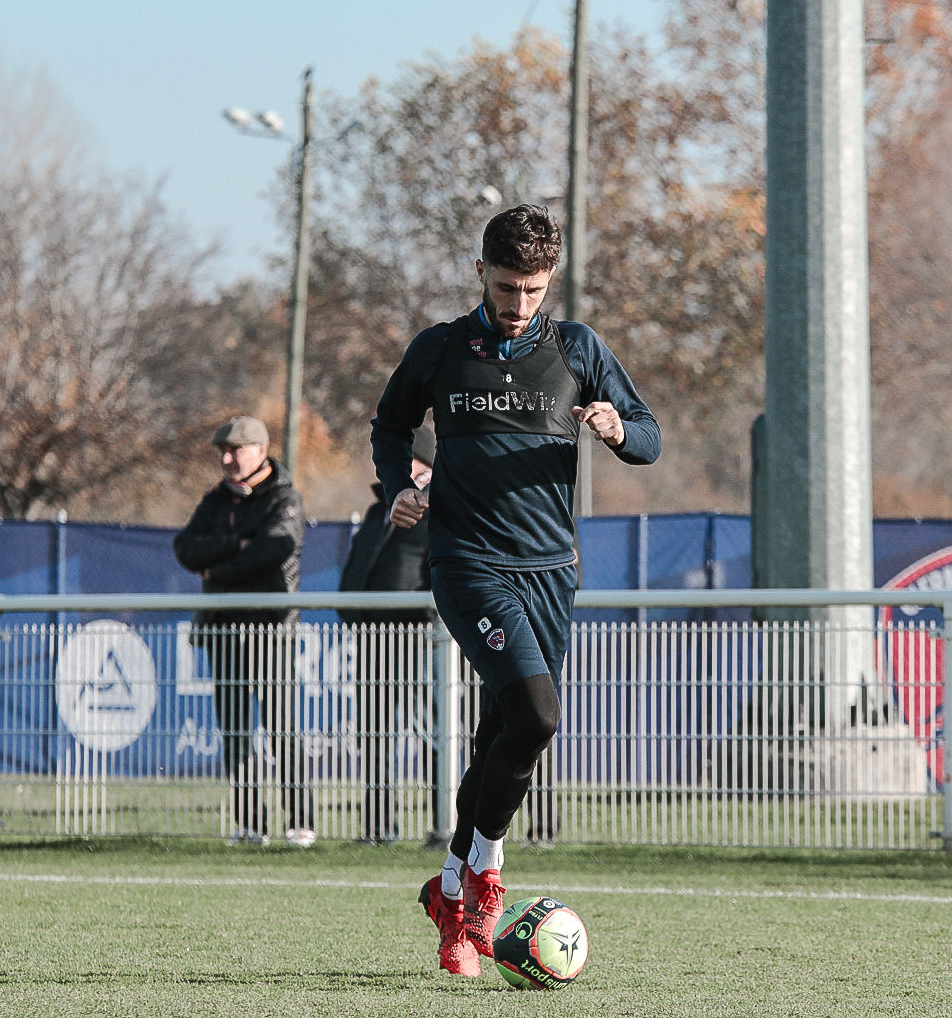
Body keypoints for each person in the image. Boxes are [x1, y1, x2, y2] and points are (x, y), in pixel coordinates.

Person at [371, 204, 660, 976]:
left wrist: (617, 429)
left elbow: (649, 435)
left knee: (503, 731)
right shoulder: (438, 350)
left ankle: (449, 900)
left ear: (550, 281)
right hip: (467, 562)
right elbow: (389, 426)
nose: (518, 305)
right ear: (480, 273)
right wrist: (401, 483)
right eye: (506, 287)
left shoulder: (577, 348)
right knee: (537, 714)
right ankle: (486, 879)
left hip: (550, 571)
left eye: (533, 290)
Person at [173, 415, 315, 846]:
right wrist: (238, 545)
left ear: (260, 450)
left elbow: (277, 548)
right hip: (224, 628)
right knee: (234, 730)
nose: (227, 458)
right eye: (223, 451)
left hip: (271, 628)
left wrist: (217, 568)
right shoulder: (217, 500)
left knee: (282, 727)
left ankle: (299, 823)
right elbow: (185, 548)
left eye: (235, 449)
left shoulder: (283, 496)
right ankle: (251, 824)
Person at [338, 426, 438, 844]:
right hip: (373, 639)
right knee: (374, 734)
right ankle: (378, 827)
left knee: (438, 735)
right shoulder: (380, 506)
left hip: (419, 639)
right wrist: (350, 604)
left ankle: (447, 827)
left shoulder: (441, 503)